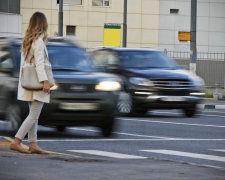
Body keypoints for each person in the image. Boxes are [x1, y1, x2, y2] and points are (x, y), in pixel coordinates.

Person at [9, 12, 52, 154]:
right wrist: (45, 82)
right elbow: (39, 64)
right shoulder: (38, 42)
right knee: (33, 115)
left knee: (34, 115)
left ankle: (33, 143)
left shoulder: (28, 40)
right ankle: (17, 140)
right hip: (38, 83)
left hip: (29, 82)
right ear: (42, 24)